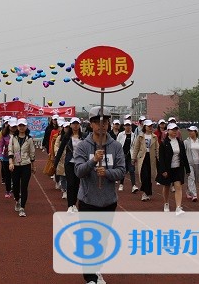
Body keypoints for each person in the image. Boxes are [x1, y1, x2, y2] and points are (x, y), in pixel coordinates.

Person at [74, 106, 125, 284]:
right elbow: (78, 171)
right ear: (91, 124)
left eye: (105, 122)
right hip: (88, 200)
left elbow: (121, 171)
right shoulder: (82, 146)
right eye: (98, 122)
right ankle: (90, 278)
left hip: (108, 201)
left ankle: (96, 270)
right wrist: (93, 161)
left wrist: (108, 173)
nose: (102, 125)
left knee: (102, 241)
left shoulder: (116, 146)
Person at [156, 122, 190, 215]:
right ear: (168, 131)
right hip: (168, 169)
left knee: (178, 187)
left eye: (176, 129)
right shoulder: (164, 143)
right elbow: (161, 158)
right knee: (167, 187)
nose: (175, 131)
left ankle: (178, 207)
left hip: (177, 168)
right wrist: (163, 170)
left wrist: (187, 169)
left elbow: (183, 156)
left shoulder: (180, 142)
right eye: (173, 130)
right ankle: (166, 203)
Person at [55, 117, 85, 213]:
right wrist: (55, 163)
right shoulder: (67, 137)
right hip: (69, 163)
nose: (75, 125)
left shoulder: (84, 137)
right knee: (70, 183)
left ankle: (74, 204)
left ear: (79, 125)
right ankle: (69, 205)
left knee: (76, 184)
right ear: (71, 125)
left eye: (77, 123)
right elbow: (60, 149)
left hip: (79, 164)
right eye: (73, 123)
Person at [8, 118, 36, 217]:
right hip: (15, 165)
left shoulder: (29, 139)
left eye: (23, 125)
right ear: (17, 127)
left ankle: (22, 208)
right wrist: (11, 162)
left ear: (26, 126)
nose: (21, 127)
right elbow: (10, 150)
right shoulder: (13, 138)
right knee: (15, 186)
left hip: (26, 165)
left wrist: (33, 165)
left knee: (24, 187)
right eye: (20, 125)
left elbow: (32, 152)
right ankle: (17, 200)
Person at [132, 119, 159, 201]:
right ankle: (145, 192)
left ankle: (147, 193)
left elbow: (157, 148)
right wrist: (133, 158)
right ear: (145, 127)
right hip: (142, 157)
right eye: (149, 126)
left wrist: (159, 158)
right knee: (144, 175)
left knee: (149, 176)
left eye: (151, 126)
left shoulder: (154, 137)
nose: (151, 127)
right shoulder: (140, 136)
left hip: (151, 158)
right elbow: (136, 148)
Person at [116, 120, 138, 193]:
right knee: (123, 170)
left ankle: (134, 186)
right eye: (126, 125)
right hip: (122, 155)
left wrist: (135, 157)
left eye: (129, 125)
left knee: (132, 170)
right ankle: (121, 184)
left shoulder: (134, 135)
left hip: (130, 155)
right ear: (124, 126)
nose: (128, 127)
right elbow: (117, 144)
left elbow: (135, 146)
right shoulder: (120, 135)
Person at [0, 117, 17, 198]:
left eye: (15, 126)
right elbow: (0, 146)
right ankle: (8, 190)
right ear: (9, 126)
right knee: (8, 175)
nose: (13, 128)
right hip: (6, 158)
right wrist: (0, 155)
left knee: (15, 175)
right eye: (12, 126)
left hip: (16, 157)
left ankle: (15, 189)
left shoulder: (19, 135)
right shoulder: (4, 134)